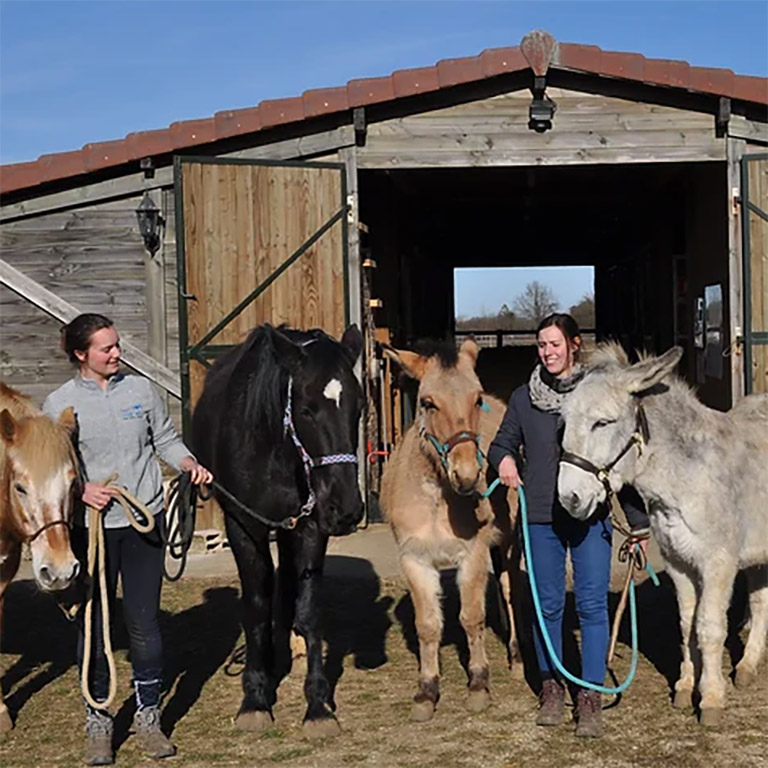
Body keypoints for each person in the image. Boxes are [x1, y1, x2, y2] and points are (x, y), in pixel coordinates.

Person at [43, 313, 212, 766]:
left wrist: (189, 462)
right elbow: (51, 473)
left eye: (117, 345)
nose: (116, 353)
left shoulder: (141, 391)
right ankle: (98, 721)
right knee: (94, 626)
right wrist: (82, 490)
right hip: (91, 530)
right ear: (82, 354)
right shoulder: (59, 405)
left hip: (144, 523)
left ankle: (148, 716)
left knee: (144, 623)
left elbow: (166, 439)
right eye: (106, 348)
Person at [488, 313, 649, 739]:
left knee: (593, 605)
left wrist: (637, 525)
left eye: (555, 344)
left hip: (589, 516)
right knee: (548, 607)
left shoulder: (598, 396)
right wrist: (503, 460)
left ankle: (590, 695)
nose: (548, 352)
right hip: (540, 516)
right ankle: (552, 687)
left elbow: (618, 454)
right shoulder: (525, 398)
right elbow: (501, 442)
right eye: (542, 345)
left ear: (574, 345)